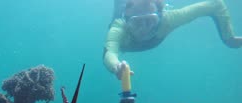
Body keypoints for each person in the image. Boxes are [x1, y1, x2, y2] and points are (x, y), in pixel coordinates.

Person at [104, 0, 242, 80]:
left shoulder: (168, 19)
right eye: (137, 22)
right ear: (127, 21)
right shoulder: (118, 28)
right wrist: (116, 66)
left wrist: (228, 37)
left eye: (151, 20)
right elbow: (109, 53)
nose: (144, 28)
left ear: (160, 15)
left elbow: (216, 4)